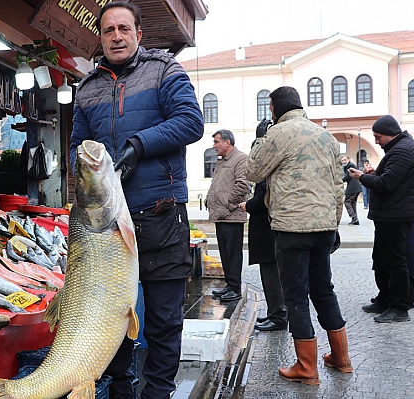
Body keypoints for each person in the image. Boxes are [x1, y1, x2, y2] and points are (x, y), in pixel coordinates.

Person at [68, 2, 204, 398]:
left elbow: (190, 122)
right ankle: (121, 389)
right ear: (101, 36)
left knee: (163, 319)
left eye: (124, 28)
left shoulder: (164, 70)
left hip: (160, 213)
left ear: (138, 34)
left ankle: (158, 392)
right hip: (107, 225)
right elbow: (78, 144)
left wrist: (138, 145)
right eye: (108, 30)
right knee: (112, 317)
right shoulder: (88, 87)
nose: (116, 36)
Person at [246, 86, 351, 385]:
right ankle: (341, 358)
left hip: (292, 227)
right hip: (324, 227)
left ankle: (307, 367)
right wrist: (333, 223)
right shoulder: (325, 136)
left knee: (296, 295)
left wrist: (260, 138)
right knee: (323, 290)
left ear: (275, 108)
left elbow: (253, 171)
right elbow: (338, 185)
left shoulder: (279, 133)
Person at [348, 114, 414, 323]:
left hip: (395, 215)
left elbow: (387, 184)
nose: (377, 141)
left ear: (391, 134)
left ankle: (399, 308)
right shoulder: (400, 148)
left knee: (394, 262)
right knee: (381, 260)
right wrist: (373, 172)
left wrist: (362, 177)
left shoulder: (402, 150)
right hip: (392, 214)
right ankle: (386, 299)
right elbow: (390, 178)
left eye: (379, 137)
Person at [239, 120, 288, 331]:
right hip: (268, 229)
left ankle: (278, 316)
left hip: (267, 230)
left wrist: (246, 205)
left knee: (272, 277)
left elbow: (260, 201)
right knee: (271, 276)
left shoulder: (266, 172)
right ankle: (275, 313)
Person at [206, 129, 249, 302]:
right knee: (225, 252)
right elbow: (215, 184)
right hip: (221, 215)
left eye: (216, 142)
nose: (214, 146)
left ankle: (235, 288)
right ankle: (229, 285)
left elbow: (243, 184)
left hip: (231, 215)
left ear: (227, 142)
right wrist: (209, 199)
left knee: (233, 253)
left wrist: (229, 203)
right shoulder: (222, 161)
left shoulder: (240, 158)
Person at [341, 156, 361, 225]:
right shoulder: (348, 166)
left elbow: (348, 176)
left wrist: (340, 181)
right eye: (342, 160)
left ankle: (354, 217)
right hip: (356, 187)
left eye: (345, 160)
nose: (344, 162)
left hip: (353, 187)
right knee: (353, 203)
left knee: (347, 202)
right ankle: (355, 219)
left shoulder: (350, 165)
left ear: (348, 159)